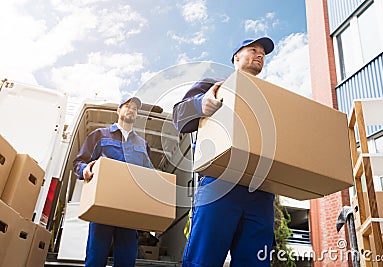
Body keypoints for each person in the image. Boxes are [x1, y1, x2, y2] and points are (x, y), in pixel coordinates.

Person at [173, 37, 276, 267]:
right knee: (204, 259)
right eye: (253, 50)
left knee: (255, 262)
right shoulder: (215, 85)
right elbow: (178, 118)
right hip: (219, 183)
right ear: (236, 57)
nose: (260, 55)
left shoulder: (270, 97)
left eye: (263, 53)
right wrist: (202, 104)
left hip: (261, 190)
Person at [73, 96, 152, 267]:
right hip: (103, 205)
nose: (131, 110)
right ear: (118, 110)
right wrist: (85, 170)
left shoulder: (143, 144)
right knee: (96, 258)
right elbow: (79, 162)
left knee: (126, 260)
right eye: (127, 106)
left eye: (135, 108)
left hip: (130, 208)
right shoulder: (100, 136)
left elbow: (149, 175)